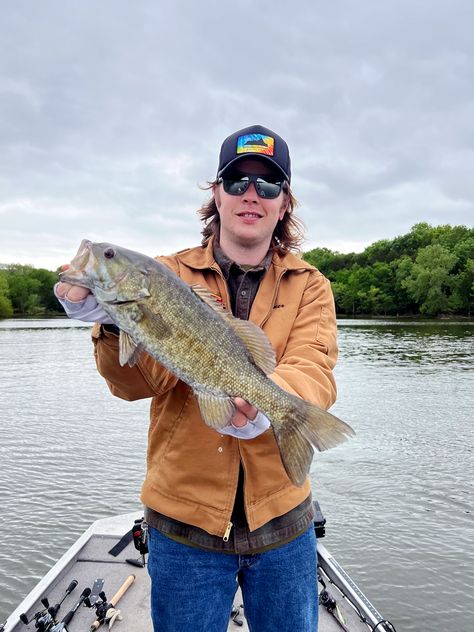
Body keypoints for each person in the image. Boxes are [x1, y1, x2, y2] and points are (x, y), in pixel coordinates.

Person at [55, 124, 338, 632]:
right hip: (184, 530)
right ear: (216, 194)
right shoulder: (166, 274)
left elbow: (314, 364)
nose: (251, 194)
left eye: (268, 185)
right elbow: (133, 385)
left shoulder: (310, 284)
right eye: (237, 181)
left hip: (284, 526)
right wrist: (108, 320)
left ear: (284, 202)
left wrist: (272, 406)